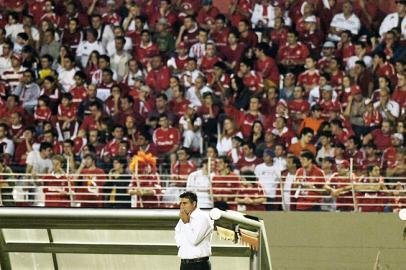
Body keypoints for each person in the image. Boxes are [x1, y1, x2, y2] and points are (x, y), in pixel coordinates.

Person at [175, 191, 213, 270]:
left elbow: (194, 240)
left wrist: (186, 223)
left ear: (194, 203)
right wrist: (182, 246)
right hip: (184, 264)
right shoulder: (185, 217)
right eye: (181, 203)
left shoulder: (203, 218)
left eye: (185, 203)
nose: (182, 206)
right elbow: (177, 232)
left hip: (199, 265)